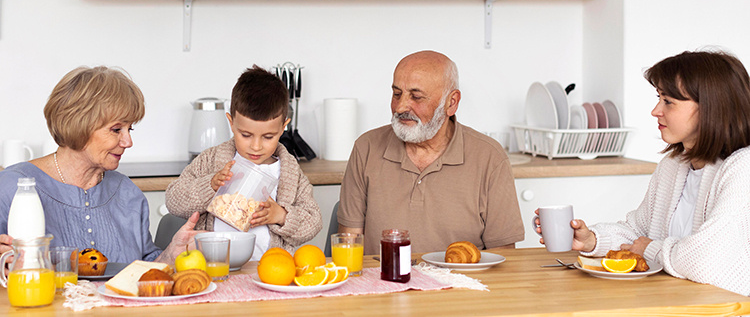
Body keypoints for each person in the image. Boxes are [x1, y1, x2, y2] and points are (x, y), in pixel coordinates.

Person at [539, 50, 750, 296]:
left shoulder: (743, 169)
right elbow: (637, 232)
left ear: (711, 107)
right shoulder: (673, 166)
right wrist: (591, 240)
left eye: (668, 101)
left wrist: (650, 249)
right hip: (672, 302)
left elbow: (706, 261)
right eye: (658, 98)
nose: (655, 110)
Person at [0, 66, 199, 265]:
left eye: (129, 129)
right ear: (78, 124)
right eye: (116, 129)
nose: (128, 142)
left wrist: (171, 255)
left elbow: (144, 270)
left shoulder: (127, 193)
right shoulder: (12, 188)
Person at [338, 50, 524, 255]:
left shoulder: (490, 158)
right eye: (396, 94)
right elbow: (349, 249)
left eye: (416, 97)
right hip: (384, 284)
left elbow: (504, 257)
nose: (400, 107)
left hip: (462, 286)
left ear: (451, 103)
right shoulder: (366, 148)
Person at [166, 66, 322, 260]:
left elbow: (313, 222)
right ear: (231, 123)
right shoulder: (210, 160)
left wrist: (281, 216)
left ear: (283, 127)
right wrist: (210, 185)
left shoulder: (290, 173)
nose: (256, 146)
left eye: (268, 136)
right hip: (213, 267)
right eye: (246, 135)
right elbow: (173, 201)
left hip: (269, 272)